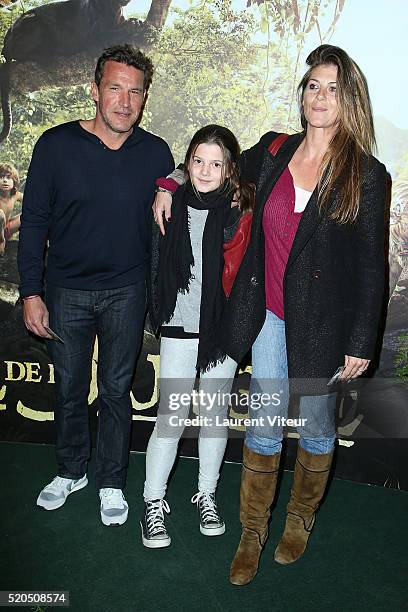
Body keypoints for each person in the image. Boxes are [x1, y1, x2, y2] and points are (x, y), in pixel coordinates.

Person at [154, 45, 387, 582]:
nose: (319, 96)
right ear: (302, 93)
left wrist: (361, 341)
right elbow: (212, 163)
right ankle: (252, 531)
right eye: (312, 85)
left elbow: (371, 267)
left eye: (332, 87)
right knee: (262, 425)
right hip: (268, 320)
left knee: (316, 427)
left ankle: (299, 521)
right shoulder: (276, 150)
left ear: (349, 97)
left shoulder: (366, 174)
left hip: (327, 328)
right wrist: (169, 183)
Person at [18, 44, 174, 526]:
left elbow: (187, 194)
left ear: (144, 98)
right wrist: (31, 292)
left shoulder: (156, 153)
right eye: (115, 88)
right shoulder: (55, 145)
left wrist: (172, 188)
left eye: (135, 92)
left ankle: (110, 480)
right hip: (65, 291)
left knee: (114, 389)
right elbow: (34, 222)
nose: (124, 102)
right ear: (94, 90)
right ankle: (70, 470)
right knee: (68, 388)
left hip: (127, 292)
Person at [141, 125, 254, 548]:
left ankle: (206, 494)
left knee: (213, 418)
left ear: (229, 170)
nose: (205, 171)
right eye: (198, 161)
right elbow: (153, 264)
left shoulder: (242, 209)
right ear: (188, 163)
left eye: (216, 163)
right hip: (178, 327)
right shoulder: (168, 202)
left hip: (220, 331)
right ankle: (152, 501)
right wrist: (169, 184)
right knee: (170, 419)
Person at [0, 162, 22, 256]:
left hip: (5, 229)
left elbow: (33, 203)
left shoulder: (15, 195)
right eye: (1, 177)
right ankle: (1, 241)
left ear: (14, 181)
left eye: (8, 178)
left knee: (29, 214)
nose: (5, 180)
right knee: (0, 214)